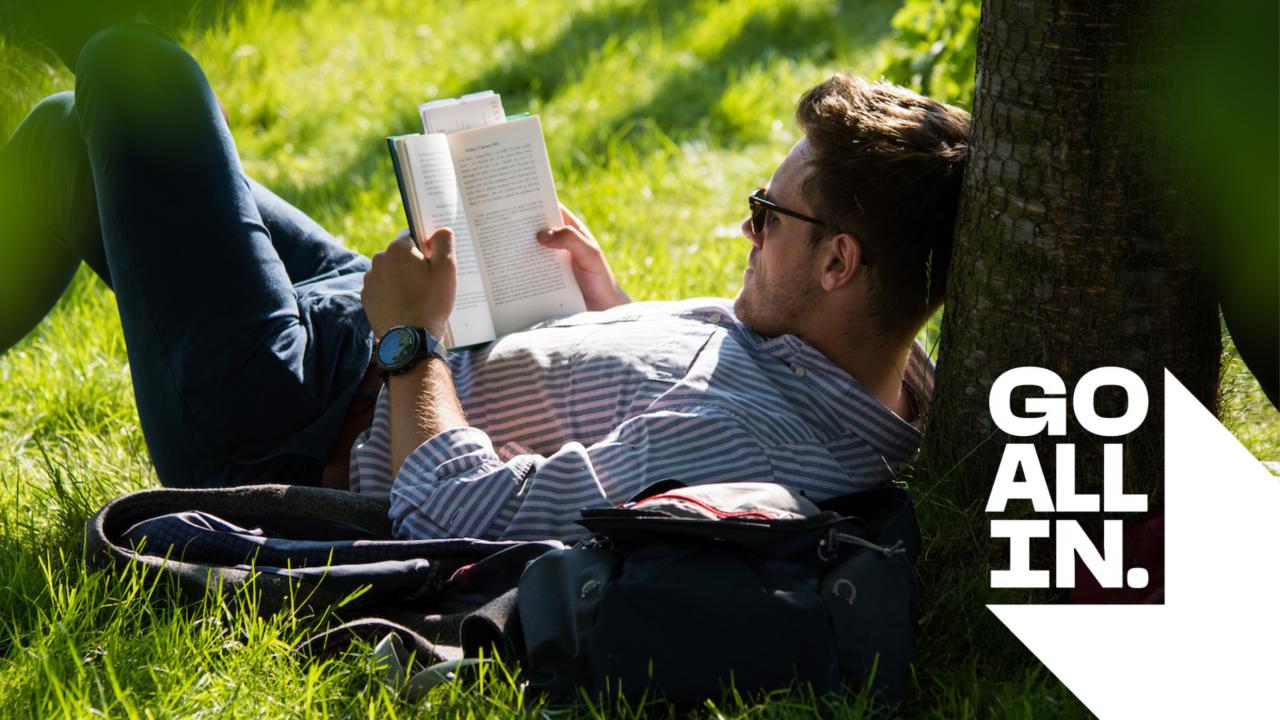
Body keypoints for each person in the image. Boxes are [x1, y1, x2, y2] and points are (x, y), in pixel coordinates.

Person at [1, 25, 970, 541]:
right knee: (67, 135)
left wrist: (409, 341)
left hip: (290, 415)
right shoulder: (865, 367)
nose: (748, 228)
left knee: (134, 72)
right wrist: (609, 311)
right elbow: (669, 400)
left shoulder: (761, 442)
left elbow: (461, 515)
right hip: (369, 337)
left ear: (839, 263)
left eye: (770, 213)